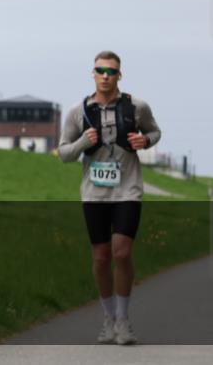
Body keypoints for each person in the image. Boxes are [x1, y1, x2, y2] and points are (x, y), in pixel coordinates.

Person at [58, 51, 161, 346]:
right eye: (100, 70)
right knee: (101, 258)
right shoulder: (79, 112)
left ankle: (124, 319)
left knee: (121, 253)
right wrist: (82, 142)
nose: (106, 75)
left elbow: (155, 131)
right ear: (92, 73)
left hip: (128, 189)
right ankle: (108, 318)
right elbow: (64, 154)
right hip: (94, 194)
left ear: (119, 75)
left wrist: (146, 140)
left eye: (111, 71)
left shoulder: (136, 107)